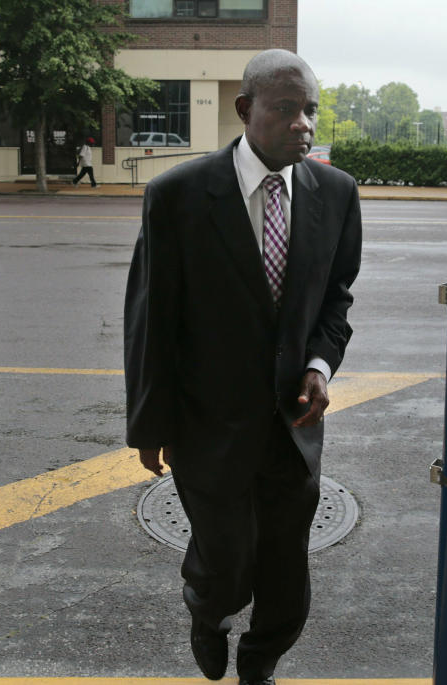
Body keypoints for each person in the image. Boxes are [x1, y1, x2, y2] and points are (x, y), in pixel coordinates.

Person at [124, 49, 361, 685]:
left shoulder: (336, 194)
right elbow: (153, 317)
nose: (303, 124)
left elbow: (336, 298)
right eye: (286, 110)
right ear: (244, 109)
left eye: (309, 110)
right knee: (225, 565)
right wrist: (150, 423)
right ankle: (208, 613)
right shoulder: (178, 195)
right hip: (208, 425)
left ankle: (260, 664)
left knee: (288, 583)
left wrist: (319, 364)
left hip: (293, 425)